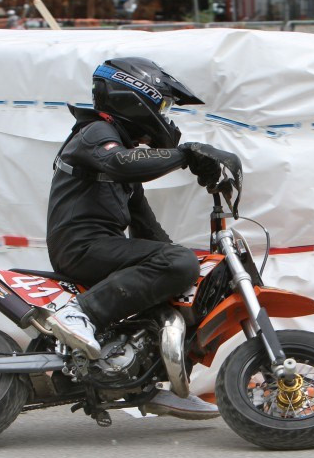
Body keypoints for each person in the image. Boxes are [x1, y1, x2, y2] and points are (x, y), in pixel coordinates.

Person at [45, 57, 233, 418]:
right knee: (179, 263)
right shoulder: (95, 133)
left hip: (101, 249)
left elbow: (148, 229)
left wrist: (190, 264)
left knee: (184, 274)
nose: (165, 115)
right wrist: (185, 154)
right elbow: (121, 162)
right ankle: (77, 314)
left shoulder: (125, 174)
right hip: (81, 247)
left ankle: (148, 383)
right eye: (163, 104)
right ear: (134, 96)